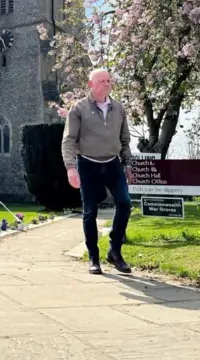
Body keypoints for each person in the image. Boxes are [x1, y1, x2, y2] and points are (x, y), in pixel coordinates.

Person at [61, 69, 133, 275]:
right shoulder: (78, 109)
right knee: (90, 210)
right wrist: (71, 168)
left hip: (112, 162)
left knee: (125, 202)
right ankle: (94, 257)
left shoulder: (118, 108)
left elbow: (125, 140)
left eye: (109, 80)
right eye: (102, 81)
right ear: (90, 84)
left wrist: (127, 165)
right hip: (87, 163)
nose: (106, 84)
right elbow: (68, 140)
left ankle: (115, 251)